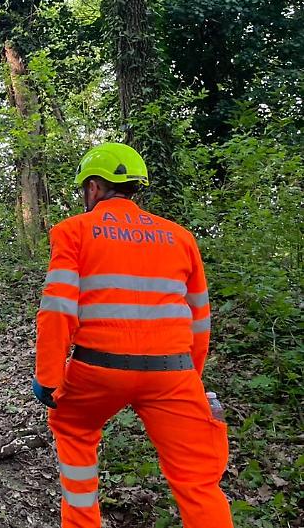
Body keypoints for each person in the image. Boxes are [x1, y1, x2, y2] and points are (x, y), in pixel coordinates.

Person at [32, 142, 232, 528]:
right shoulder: (180, 237)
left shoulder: (73, 231)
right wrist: (191, 375)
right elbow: (200, 319)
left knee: (74, 431)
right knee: (198, 481)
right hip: (173, 373)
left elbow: (57, 311)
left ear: (93, 188)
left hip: (97, 370)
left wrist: (49, 377)